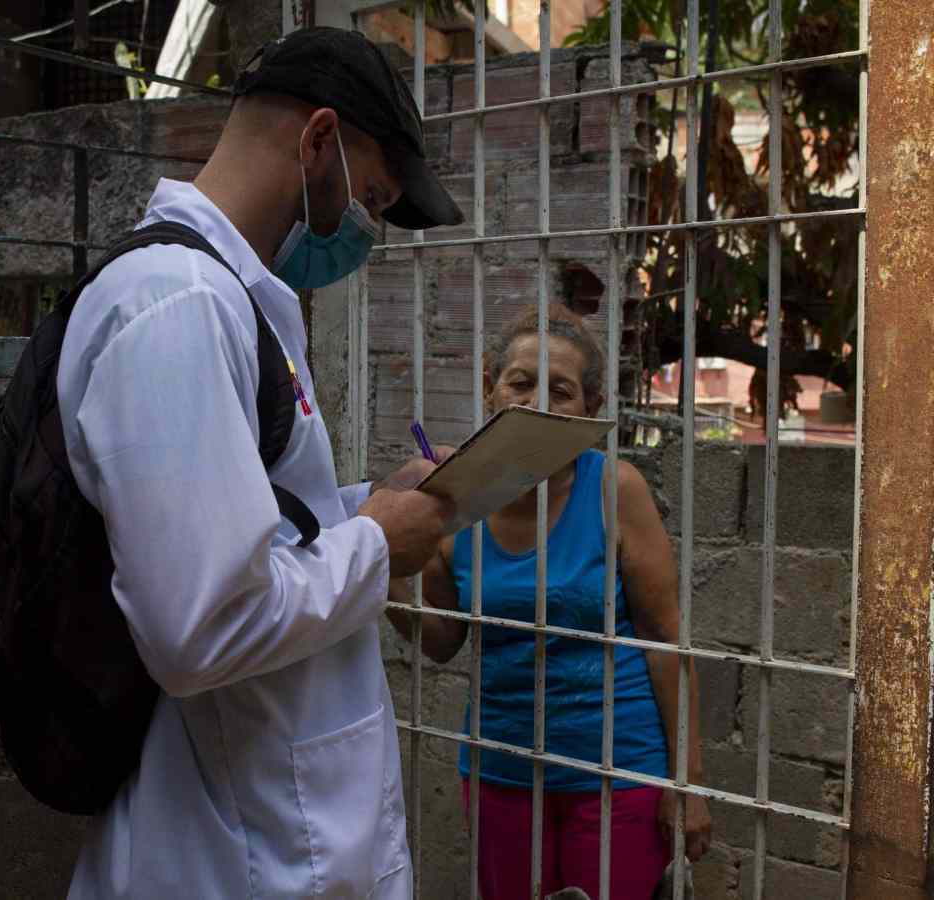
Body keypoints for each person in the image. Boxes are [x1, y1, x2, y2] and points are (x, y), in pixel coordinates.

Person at [57, 27, 463, 900]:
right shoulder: (177, 306)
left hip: (273, 830)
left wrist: (369, 503)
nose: (366, 234)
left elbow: (253, 524)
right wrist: (379, 546)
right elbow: (201, 626)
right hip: (239, 851)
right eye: (374, 201)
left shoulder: (230, 297)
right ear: (319, 141)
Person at [388, 304, 712, 900]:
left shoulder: (615, 488)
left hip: (617, 774)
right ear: (491, 390)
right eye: (520, 383)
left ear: (588, 409)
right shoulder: (450, 497)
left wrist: (686, 781)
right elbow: (442, 642)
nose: (538, 401)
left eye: (560, 391)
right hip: (502, 768)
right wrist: (378, 571)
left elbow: (665, 638)